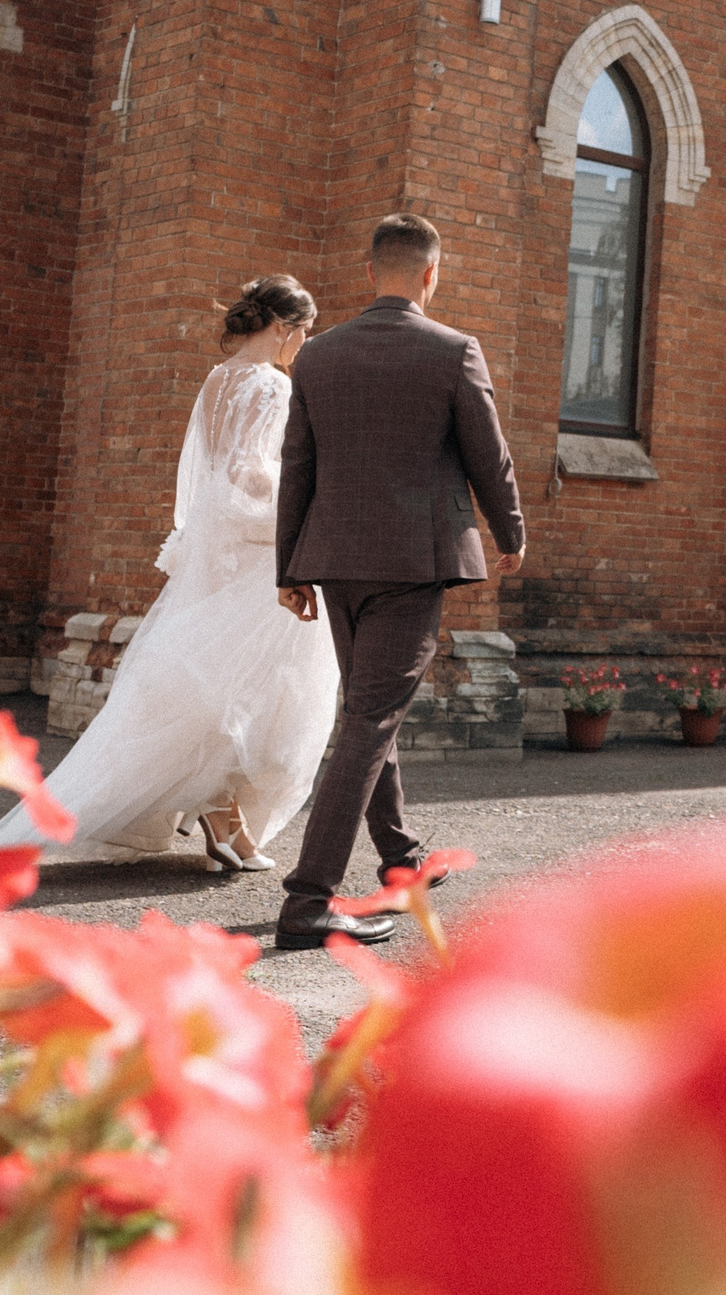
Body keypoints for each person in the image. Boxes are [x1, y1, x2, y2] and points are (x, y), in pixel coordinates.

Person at [0, 275, 338, 870]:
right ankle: (222, 817)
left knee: (220, 682)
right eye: (304, 331)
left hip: (217, 550)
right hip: (254, 551)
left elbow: (210, 474)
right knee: (257, 687)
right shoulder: (273, 387)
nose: (304, 343)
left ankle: (223, 816)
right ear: (282, 327)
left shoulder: (217, 380)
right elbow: (249, 476)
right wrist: (313, 496)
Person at [272, 213, 526, 951]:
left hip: (336, 560)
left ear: (369, 270)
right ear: (430, 274)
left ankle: (401, 855)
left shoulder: (317, 356)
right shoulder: (453, 351)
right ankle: (308, 899)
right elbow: (490, 452)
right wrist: (510, 532)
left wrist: (289, 567)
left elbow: (299, 467)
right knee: (372, 718)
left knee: (368, 708)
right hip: (414, 561)